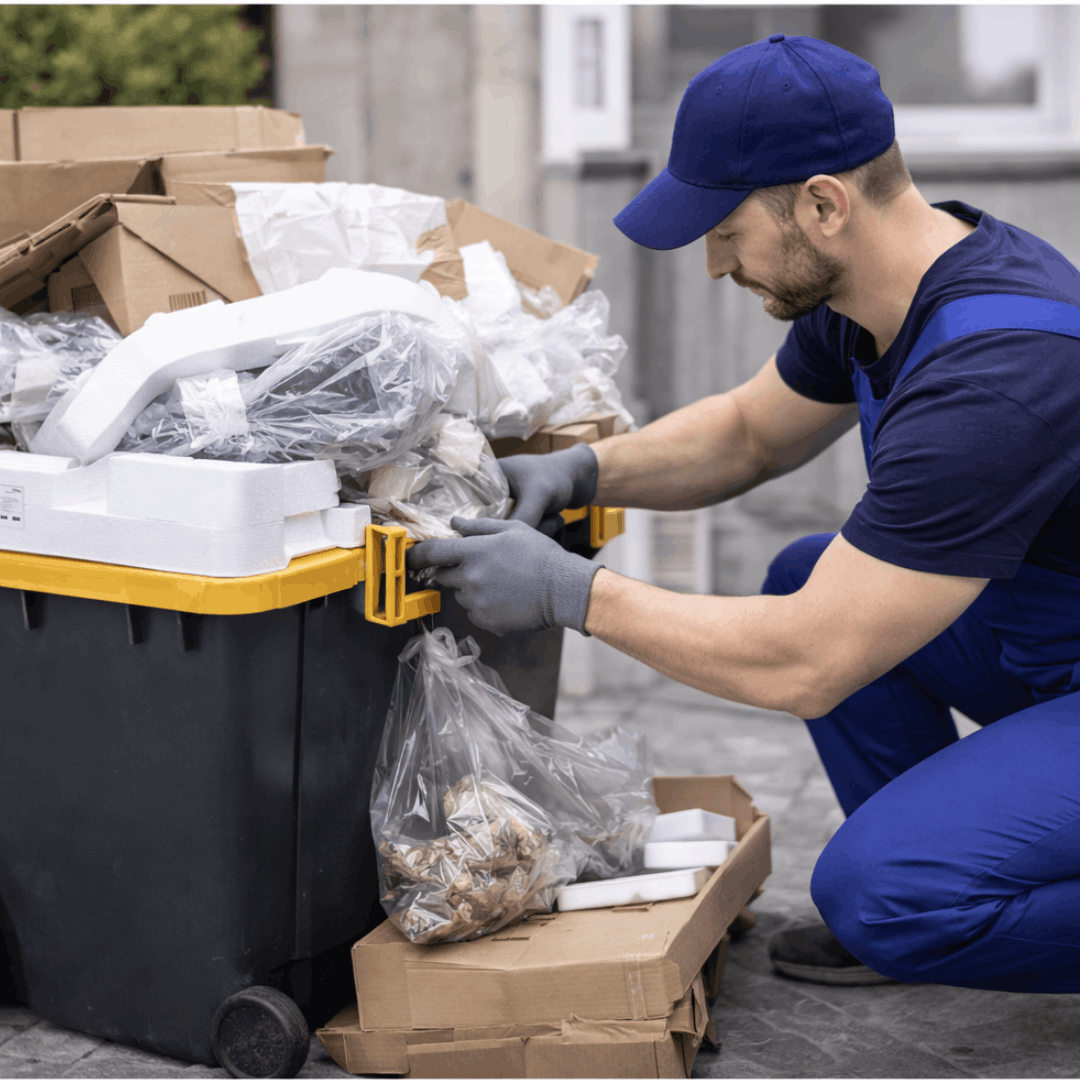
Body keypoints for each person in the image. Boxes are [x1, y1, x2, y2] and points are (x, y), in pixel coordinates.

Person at [409, 33, 1080, 993]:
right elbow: (748, 436)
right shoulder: (873, 295)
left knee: (880, 893)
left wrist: (570, 591)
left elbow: (809, 661)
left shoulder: (998, 373)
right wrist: (582, 469)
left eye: (725, 231)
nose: (716, 264)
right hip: (1049, 645)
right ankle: (949, 866)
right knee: (808, 569)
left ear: (822, 203)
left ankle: (920, 898)